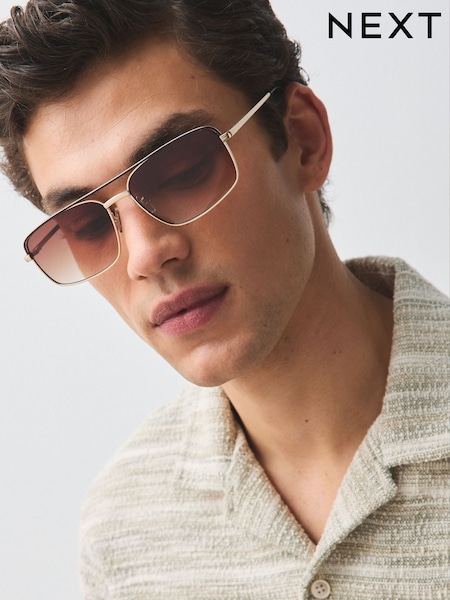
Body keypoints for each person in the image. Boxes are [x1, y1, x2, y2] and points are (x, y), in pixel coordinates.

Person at [0, 1, 448, 598]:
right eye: (87, 224)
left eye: (180, 169)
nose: (144, 255)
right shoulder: (126, 532)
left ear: (303, 139)